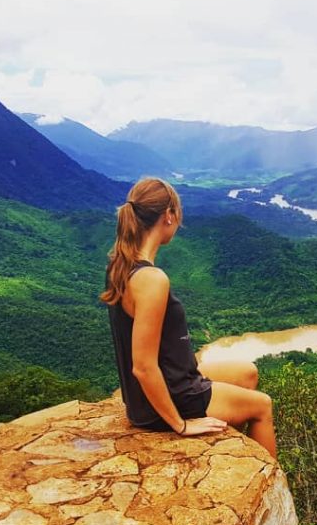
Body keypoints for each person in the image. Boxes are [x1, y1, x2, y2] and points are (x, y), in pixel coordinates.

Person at [100, 177, 277, 458]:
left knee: (248, 372)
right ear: (168, 216)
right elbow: (143, 367)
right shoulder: (152, 279)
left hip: (165, 386)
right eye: (177, 213)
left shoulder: (121, 266)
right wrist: (180, 425)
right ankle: (269, 483)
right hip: (170, 398)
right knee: (262, 406)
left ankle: (230, 451)